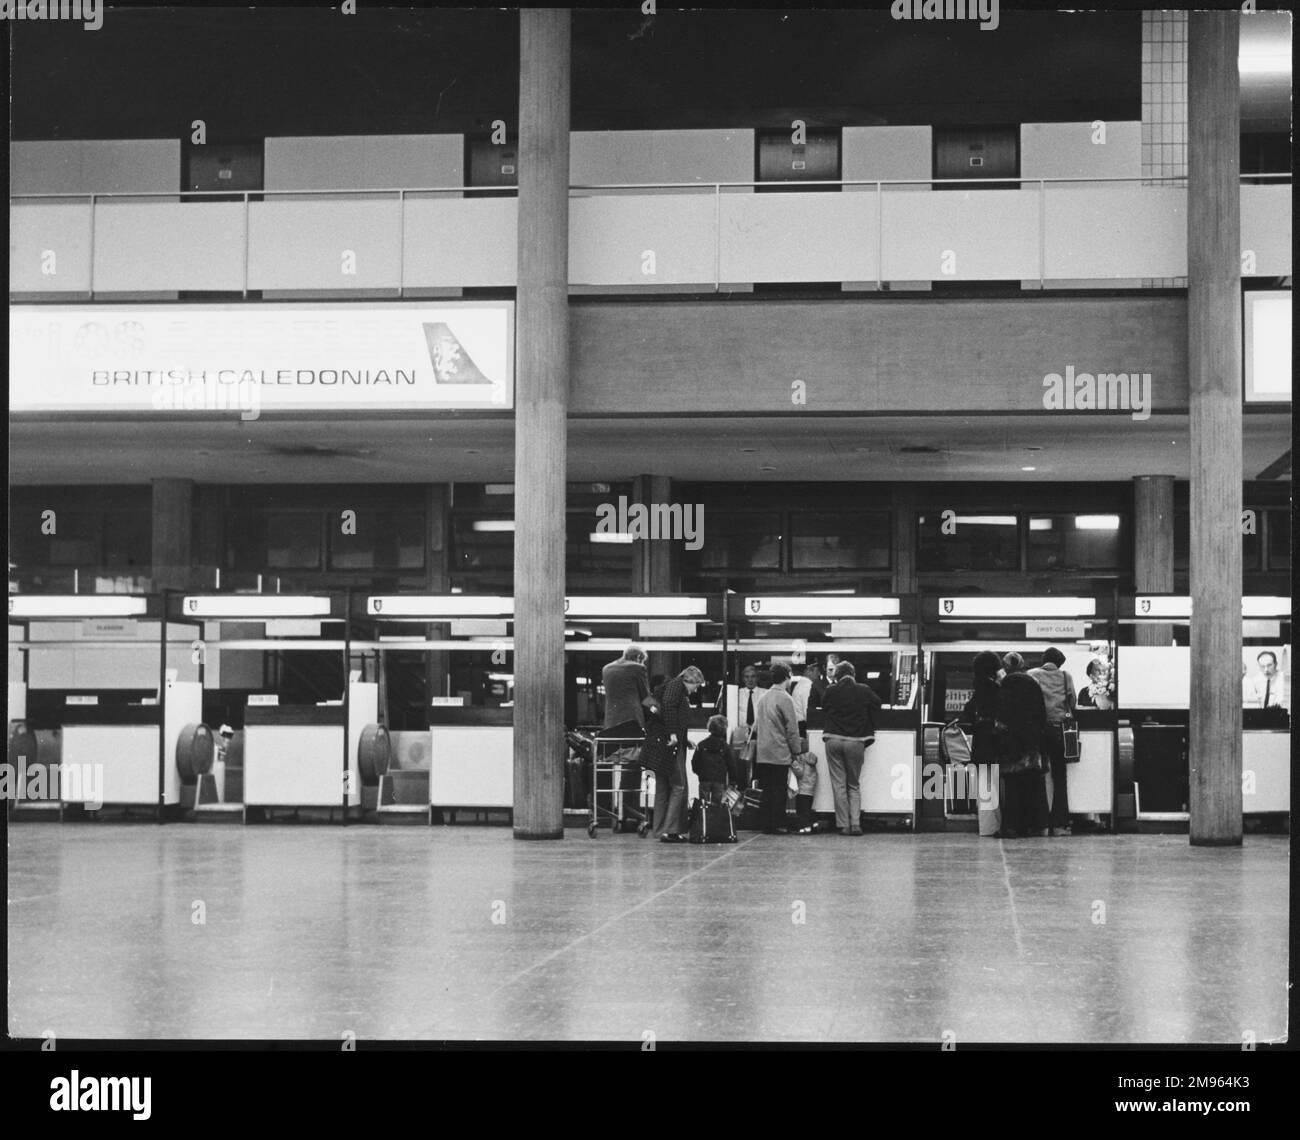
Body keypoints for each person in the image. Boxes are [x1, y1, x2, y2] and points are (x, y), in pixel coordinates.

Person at [819, 659, 881, 836]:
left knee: (838, 784)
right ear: (853, 675)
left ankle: (843, 825)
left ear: (837, 677)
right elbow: (877, 704)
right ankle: (855, 824)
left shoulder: (831, 690)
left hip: (834, 739)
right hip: (856, 741)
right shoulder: (864, 690)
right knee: (853, 784)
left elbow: (824, 707)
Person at [996, 652, 1049, 839]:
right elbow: (1042, 713)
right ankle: (1031, 826)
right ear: (1022, 664)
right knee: (1031, 784)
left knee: (1012, 786)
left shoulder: (1004, 684)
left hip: (1010, 742)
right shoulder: (1033, 683)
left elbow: (1000, 713)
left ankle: (1011, 827)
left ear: (1007, 666)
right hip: (1030, 742)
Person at [1028, 647, 1076, 836]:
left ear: (1044, 660)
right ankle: (1059, 825)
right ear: (1059, 662)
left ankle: (1040, 825)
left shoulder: (1032, 674)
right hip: (1059, 731)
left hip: (1038, 731)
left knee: (1039, 777)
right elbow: (1072, 703)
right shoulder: (1066, 676)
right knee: (1060, 778)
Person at [600, 645, 650, 827]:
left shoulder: (607, 669)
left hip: (611, 725)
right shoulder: (638, 668)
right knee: (634, 766)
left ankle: (622, 812)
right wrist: (658, 713)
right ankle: (632, 812)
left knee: (621, 765)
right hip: (632, 725)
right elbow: (646, 698)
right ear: (637, 658)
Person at [655, 665, 705, 842]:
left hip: (665, 744)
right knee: (679, 785)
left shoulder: (672, 687)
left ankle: (660, 828)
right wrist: (674, 735)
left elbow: (672, 713)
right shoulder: (677, 687)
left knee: (663, 787)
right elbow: (668, 707)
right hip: (671, 744)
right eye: (696, 685)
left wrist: (684, 739)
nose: (696, 689)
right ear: (688, 680)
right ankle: (671, 830)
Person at [753, 663, 802, 835]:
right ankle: (778, 824)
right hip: (779, 751)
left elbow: (758, 725)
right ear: (787, 677)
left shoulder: (763, 698)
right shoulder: (786, 698)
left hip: (763, 751)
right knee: (779, 789)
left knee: (767, 789)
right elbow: (792, 729)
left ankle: (766, 823)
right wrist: (796, 751)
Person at [961, 651, 1002, 838]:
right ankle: (993, 826)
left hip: (981, 741)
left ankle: (987, 826)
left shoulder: (977, 688)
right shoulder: (996, 688)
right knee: (993, 785)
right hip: (995, 741)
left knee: (985, 785)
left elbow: (967, 714)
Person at [691, 715, 734, 803]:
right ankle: (715, 817)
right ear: (724, 729)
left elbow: (694, 763)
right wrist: (733, 781)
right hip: (719, 779)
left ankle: (704, 816)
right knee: (717, 805)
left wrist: (700, 773)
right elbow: (731, 765)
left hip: (704, 779)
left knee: (703, 804)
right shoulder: (725, 746)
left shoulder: (701, 744)